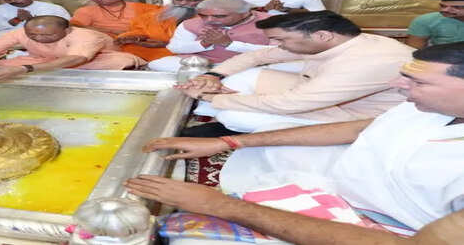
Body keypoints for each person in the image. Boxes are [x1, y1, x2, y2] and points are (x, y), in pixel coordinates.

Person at [126, 42, 464, 243]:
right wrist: (228, 143)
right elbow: (361, 129)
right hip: (355, 183)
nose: (395, 85)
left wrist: (218, 205)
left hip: (392, 227)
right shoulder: (428, 106)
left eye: (417, 82)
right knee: (267, 146)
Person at [179, 11, 413, 135]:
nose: (277, 45)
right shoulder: (338, 40)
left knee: (234, 117)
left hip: (359, 116)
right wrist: (213, 76)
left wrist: (210, 97)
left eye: (280, 39)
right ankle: (223, 108)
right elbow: (257, 57)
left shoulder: (367, 61)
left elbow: (291, 104)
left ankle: (228, 120)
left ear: (322, 35)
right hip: (318, 93)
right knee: (241, 77)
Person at [0, 16, 145, 82]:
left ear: (67, 30)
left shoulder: (85, 35)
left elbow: (77, 59)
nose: (38, 38)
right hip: (42, 60)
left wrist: (25, 69)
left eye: (47, 36)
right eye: (32, 34)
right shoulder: (21, 32)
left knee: (120, 62)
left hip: (91, 61)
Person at [148, 0, 270, 72]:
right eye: (203, 15)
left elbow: (277, 50)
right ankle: (216, 74)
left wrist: (229, 44)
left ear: (244, 14)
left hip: (247, 64)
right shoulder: (191, 23)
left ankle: (217, 74)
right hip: (202, 64)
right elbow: (174, 48)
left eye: (219, 16)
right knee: (158, 64)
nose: (209, 20)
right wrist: (204, 43)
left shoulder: (271, 22)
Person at [115, 0, 223, 61]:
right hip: (155, 49)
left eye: (192, 0)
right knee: (129, 47)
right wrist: (135, 37)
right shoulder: (156, 14)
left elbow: (209, 42)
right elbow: (141, 29)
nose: (183, 3)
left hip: (191, 51)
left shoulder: (215, 18)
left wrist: (167, 44)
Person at [70, 0, 159, 37]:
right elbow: (75, 26)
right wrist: (112, 31)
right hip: (103, 40)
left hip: (136, 39)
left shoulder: (138, 7)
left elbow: (163, 13)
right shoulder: (86, 10)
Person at [0, 0, 70, 31]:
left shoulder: (53, 8)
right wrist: (17, 19)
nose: (12, 1)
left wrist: (32, 20)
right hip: (12, 40)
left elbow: (66, 24)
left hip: (47, 38)